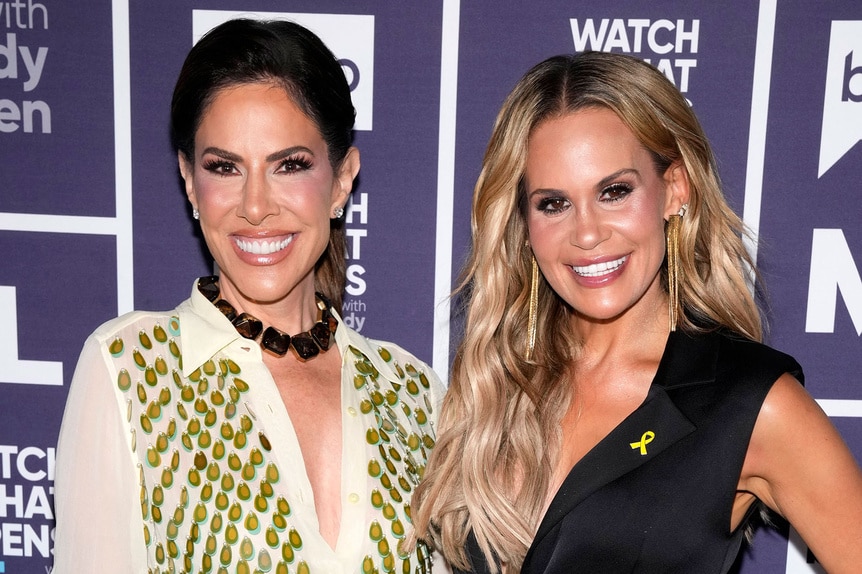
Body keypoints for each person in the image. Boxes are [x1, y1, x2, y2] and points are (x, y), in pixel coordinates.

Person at [411, 51, 862, 573]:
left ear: (674, 190)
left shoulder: (749, 404)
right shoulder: (497, 386)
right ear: (523, 221)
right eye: (553, 203)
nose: (587, 234)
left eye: (614, 192)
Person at [53, 18, 444, 574]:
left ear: (341, 180)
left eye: (289, 166)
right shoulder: (132, 372)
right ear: (190, 181)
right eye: (224, 167)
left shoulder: (414, 394)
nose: (255, 205)